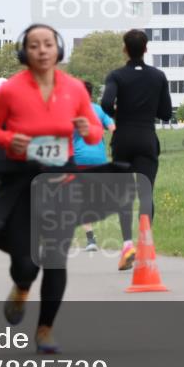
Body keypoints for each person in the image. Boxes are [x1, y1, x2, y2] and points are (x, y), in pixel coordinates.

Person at [0, 24, 103, 354]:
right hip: (21, 177)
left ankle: (45, 330)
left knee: (55, 257)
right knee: (18, 253)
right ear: (25, 53)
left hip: (62, 178)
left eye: (48, 44)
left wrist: (85, 128)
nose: (42, 50)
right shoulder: (10, 91)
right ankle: (21, 287)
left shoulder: (75, 89)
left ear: (58, 50)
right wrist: (8, 139)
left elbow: (94, 134)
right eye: (35, 45)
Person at [101, 29, 173, 270]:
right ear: (146, 49)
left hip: (123, 139)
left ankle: (127, 245)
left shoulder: (116, 76)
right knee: (145, 193)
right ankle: (144, 244)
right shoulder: (158, 76)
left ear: (124, 49)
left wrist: (117, 113)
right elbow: (165, 113)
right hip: (146, 139)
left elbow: (105, 103)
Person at [74, 81, 117, 252]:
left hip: (79, 160)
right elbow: (113, 128)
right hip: (99, 160)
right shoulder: (100, 110)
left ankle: (91, 240)